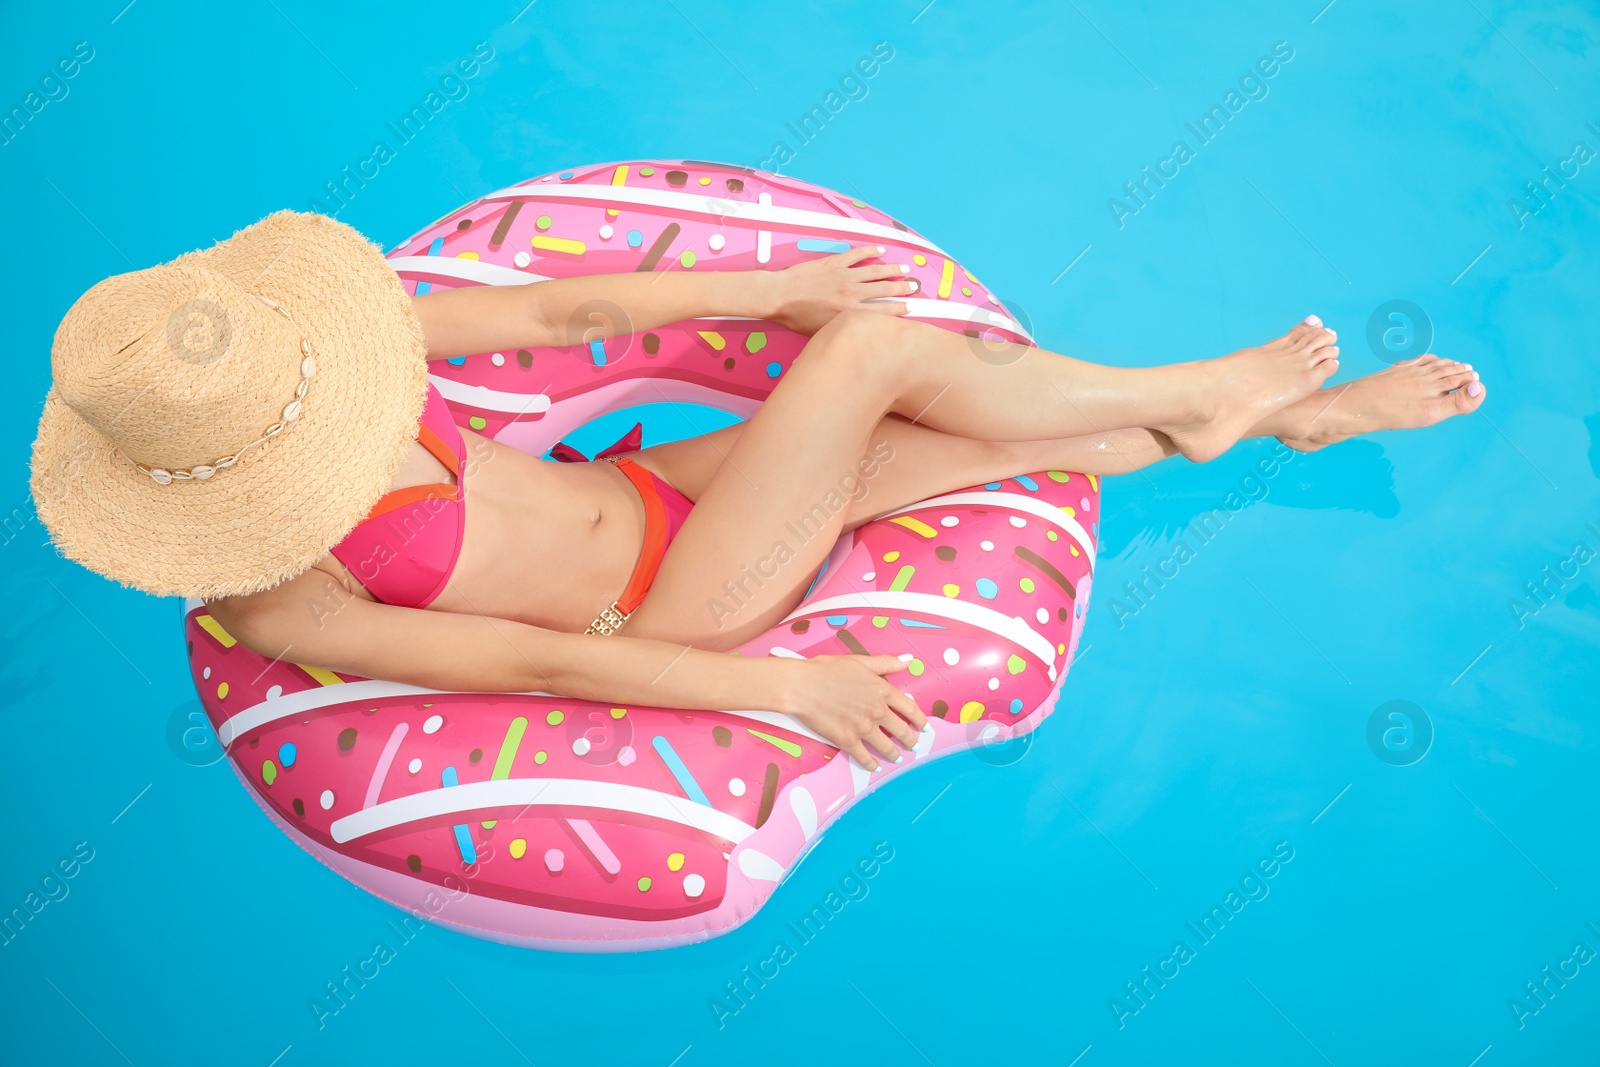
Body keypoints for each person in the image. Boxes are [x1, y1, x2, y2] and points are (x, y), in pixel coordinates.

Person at [29, 210, 1486, 770]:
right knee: (864, 354)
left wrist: (768, 280)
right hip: (677, 596)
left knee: (991, 442)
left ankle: (1280, 423)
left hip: (650, 488)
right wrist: (788, 695)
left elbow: (554, 320)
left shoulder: (324, 357)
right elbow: (533, 658)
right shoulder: (279, 601)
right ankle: (1204, 391)